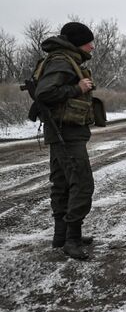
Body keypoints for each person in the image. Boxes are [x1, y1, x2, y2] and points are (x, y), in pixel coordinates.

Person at [35, 22, 97, 260]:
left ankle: (61, 236)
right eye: (88, 42)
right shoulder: (62, 61)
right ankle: (71, 239)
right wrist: (77, 89)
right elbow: (45, 93)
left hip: (62, 132)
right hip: (66, 134)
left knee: (62, 183)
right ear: (77, 42)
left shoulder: (63, 59)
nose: (92, 46)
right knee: (82, 184)